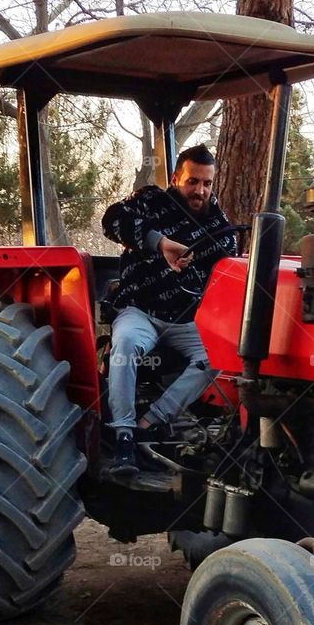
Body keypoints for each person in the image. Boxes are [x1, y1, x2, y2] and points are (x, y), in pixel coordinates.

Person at [101, 144, 237, 473]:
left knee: (220, 354)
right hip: (141, 311)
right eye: (193, 181)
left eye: (206, 183)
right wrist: (159, 243)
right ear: (176, 178)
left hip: (185, 319)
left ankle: (150, 422)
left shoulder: (219, 226)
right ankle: (122, 435)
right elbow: (112, 220)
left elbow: (227, 262)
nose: (200, 190)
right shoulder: (150, 201)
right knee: (126, 345)